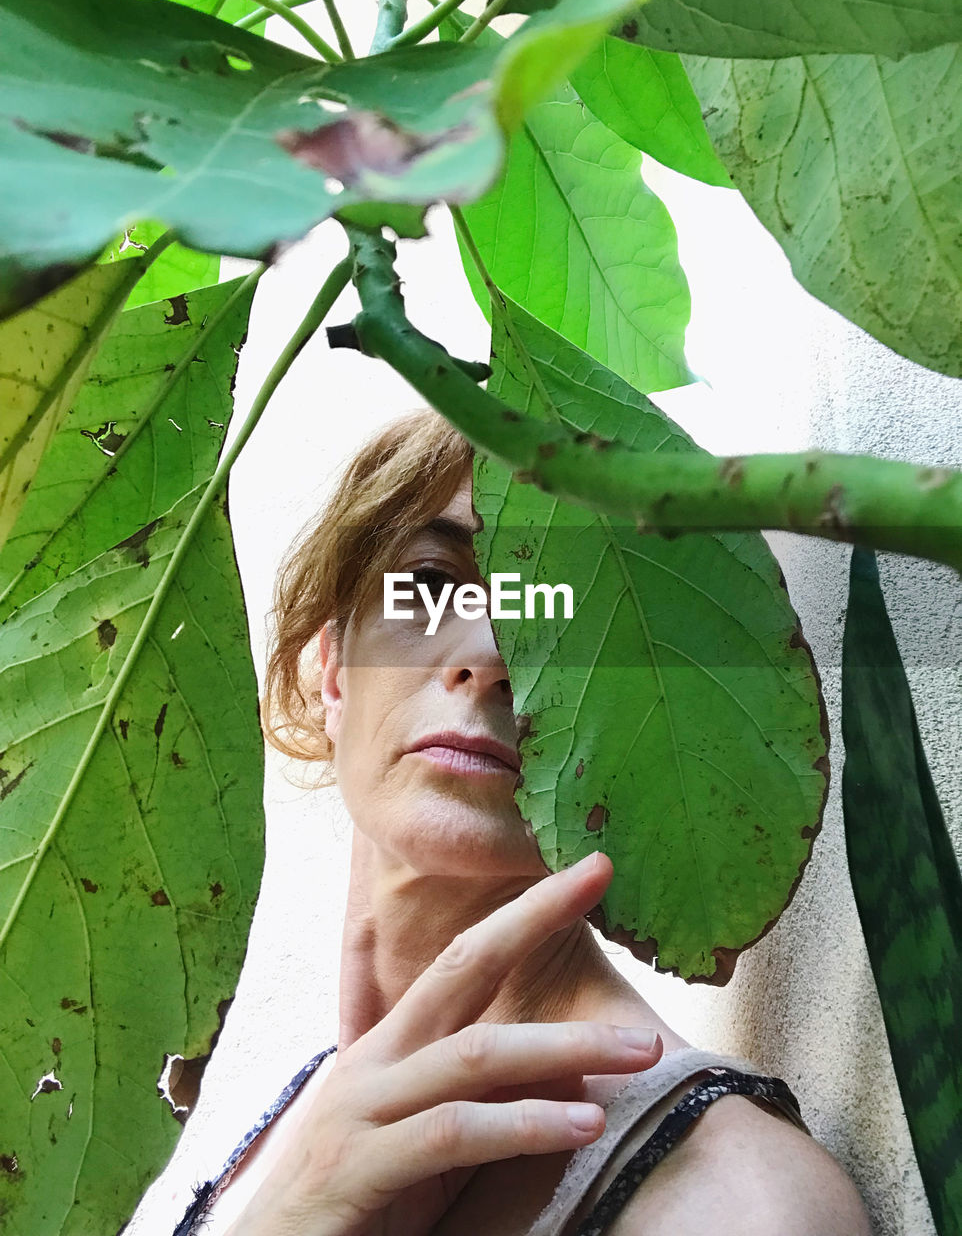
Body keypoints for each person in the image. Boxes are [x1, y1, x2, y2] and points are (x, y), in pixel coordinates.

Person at [173, 410, 873, 1236]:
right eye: (431, 584)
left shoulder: (734, 1197)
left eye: (572, 626)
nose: (490, 654)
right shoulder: (270, 1125)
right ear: (332, 673)